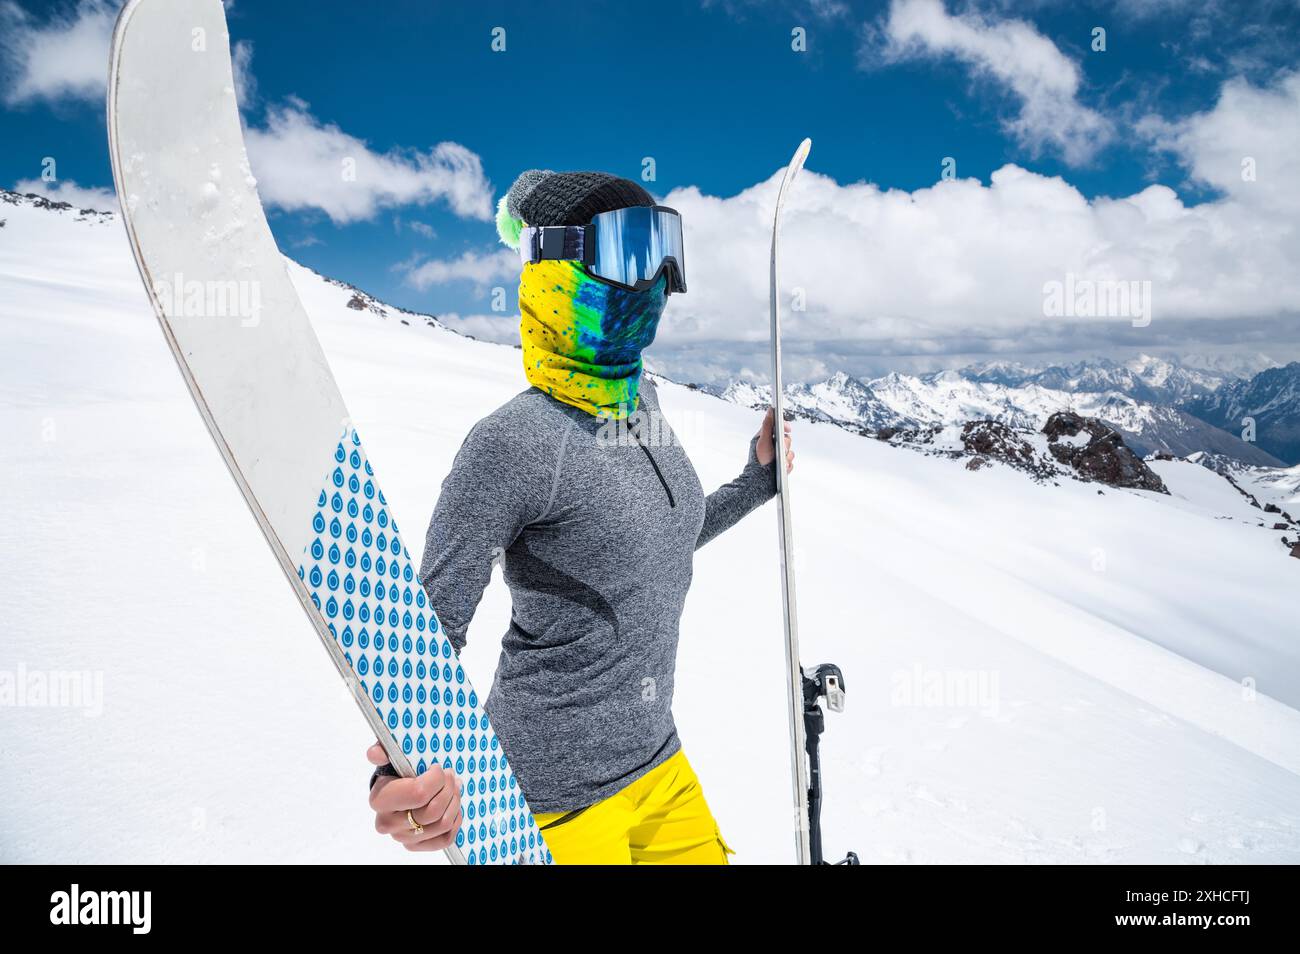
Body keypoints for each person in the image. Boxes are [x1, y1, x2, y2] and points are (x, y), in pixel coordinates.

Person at [366, 170, 793, 864]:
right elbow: (429, 634)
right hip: (551, 806)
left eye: (665, 249)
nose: (655, 278)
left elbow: (665, 538)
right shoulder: (513, 443)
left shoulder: (638, 402)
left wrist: (757, 482)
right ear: (555, 270)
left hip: (662, 767)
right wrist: (404, 778)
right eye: (630, 249)